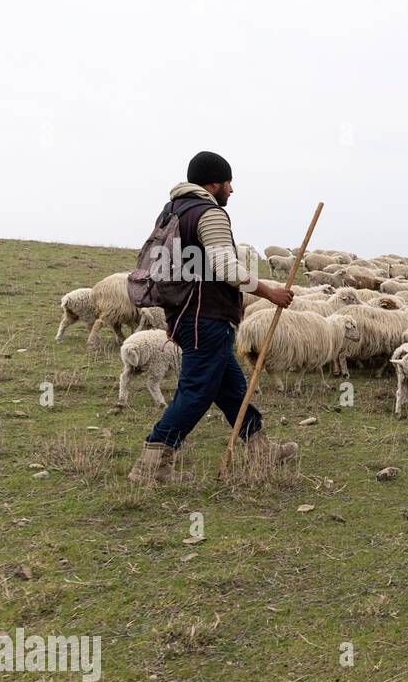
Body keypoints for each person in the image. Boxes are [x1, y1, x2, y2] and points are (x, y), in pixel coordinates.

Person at [128, 151, 299, 482]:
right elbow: (226, 268)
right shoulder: (209, 213)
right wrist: (270, 292)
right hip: (206, 318)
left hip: (186, 315)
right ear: (214, 183)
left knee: (231, 387)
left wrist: (174, 318)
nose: (231, 190)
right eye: (228, 182)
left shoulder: (173, 212)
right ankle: (151, 464)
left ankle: (260, 448)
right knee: (196, 391)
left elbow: (168, 268)